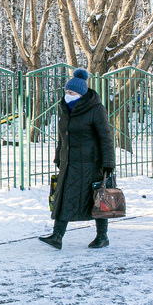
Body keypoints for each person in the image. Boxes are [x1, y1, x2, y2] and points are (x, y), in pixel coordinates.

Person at [40, 68, 115, 250]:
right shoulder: (66, 108)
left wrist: (108, 163)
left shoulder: (95, 109)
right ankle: (57, 236)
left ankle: (102, 237)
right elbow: (62, 136)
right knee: (64, 197)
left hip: (91, 164)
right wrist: (59, 156)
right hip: (69, 163)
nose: (68, 95)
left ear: (81, 93)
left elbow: (106, 136)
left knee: (98, 199)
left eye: (71, 92)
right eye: (66, 92)